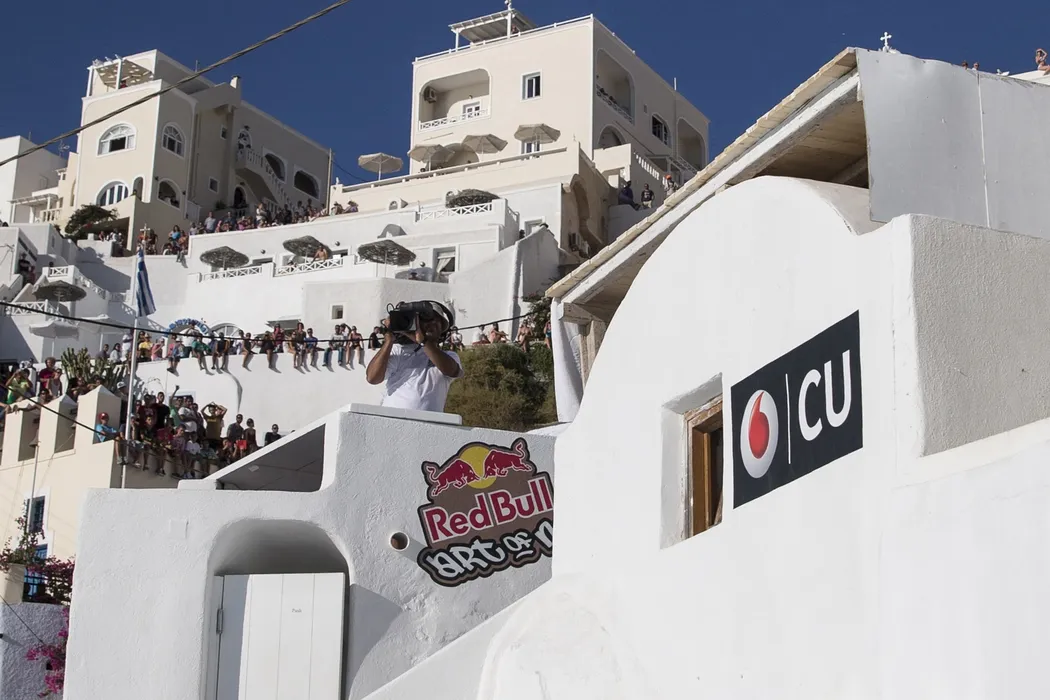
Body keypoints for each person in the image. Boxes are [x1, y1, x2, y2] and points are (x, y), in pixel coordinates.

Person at [366, 306, 463, 412]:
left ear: (442, 329)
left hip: (428, 421)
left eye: (436, 321)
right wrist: (389, 341)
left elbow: (452, 371)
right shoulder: (399, 350)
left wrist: (422, 342)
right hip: (392, 418)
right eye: (425, 321)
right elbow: (373, 378)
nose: (431, 324)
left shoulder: (449, 356)